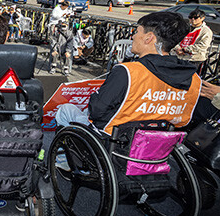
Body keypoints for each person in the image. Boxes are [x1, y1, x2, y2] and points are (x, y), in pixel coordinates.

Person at [55, 12, 201, 134]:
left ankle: (65, 157)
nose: (133, 37)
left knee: (66, 110)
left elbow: (96, 111)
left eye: (137, 32)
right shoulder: (193, 78)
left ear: (149, 37)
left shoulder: (128, 72)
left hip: (116, 140)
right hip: (157, 143)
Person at [173, 8, 212, 72]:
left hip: (194, 60)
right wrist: (177, 48)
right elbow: (175, 39)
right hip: (180, 57)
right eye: (190, 17)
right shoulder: (185, 27)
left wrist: (185, 49)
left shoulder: (206, 31)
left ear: (202, 18)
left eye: (196, 18)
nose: (193, 19)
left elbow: (203, 45)